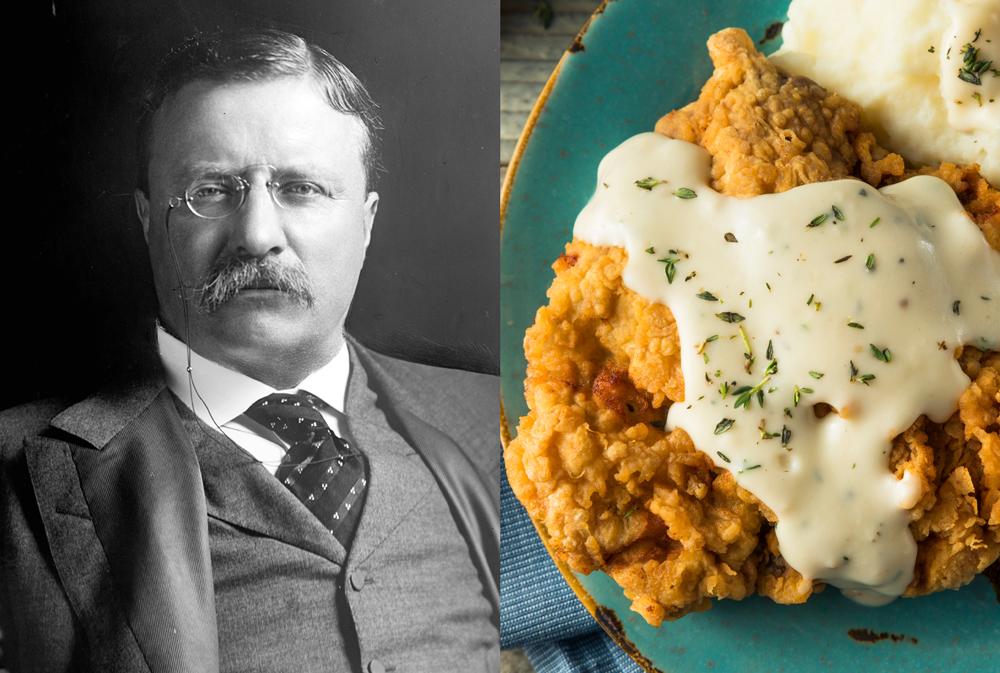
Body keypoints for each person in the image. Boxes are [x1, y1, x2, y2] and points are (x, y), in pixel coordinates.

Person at [0, 29, 499, 673]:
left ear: (367, 222)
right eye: (210, 190)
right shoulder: (13, 472)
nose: (257, 236)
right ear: (150, 220)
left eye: (302, 189)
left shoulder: (493, 417)